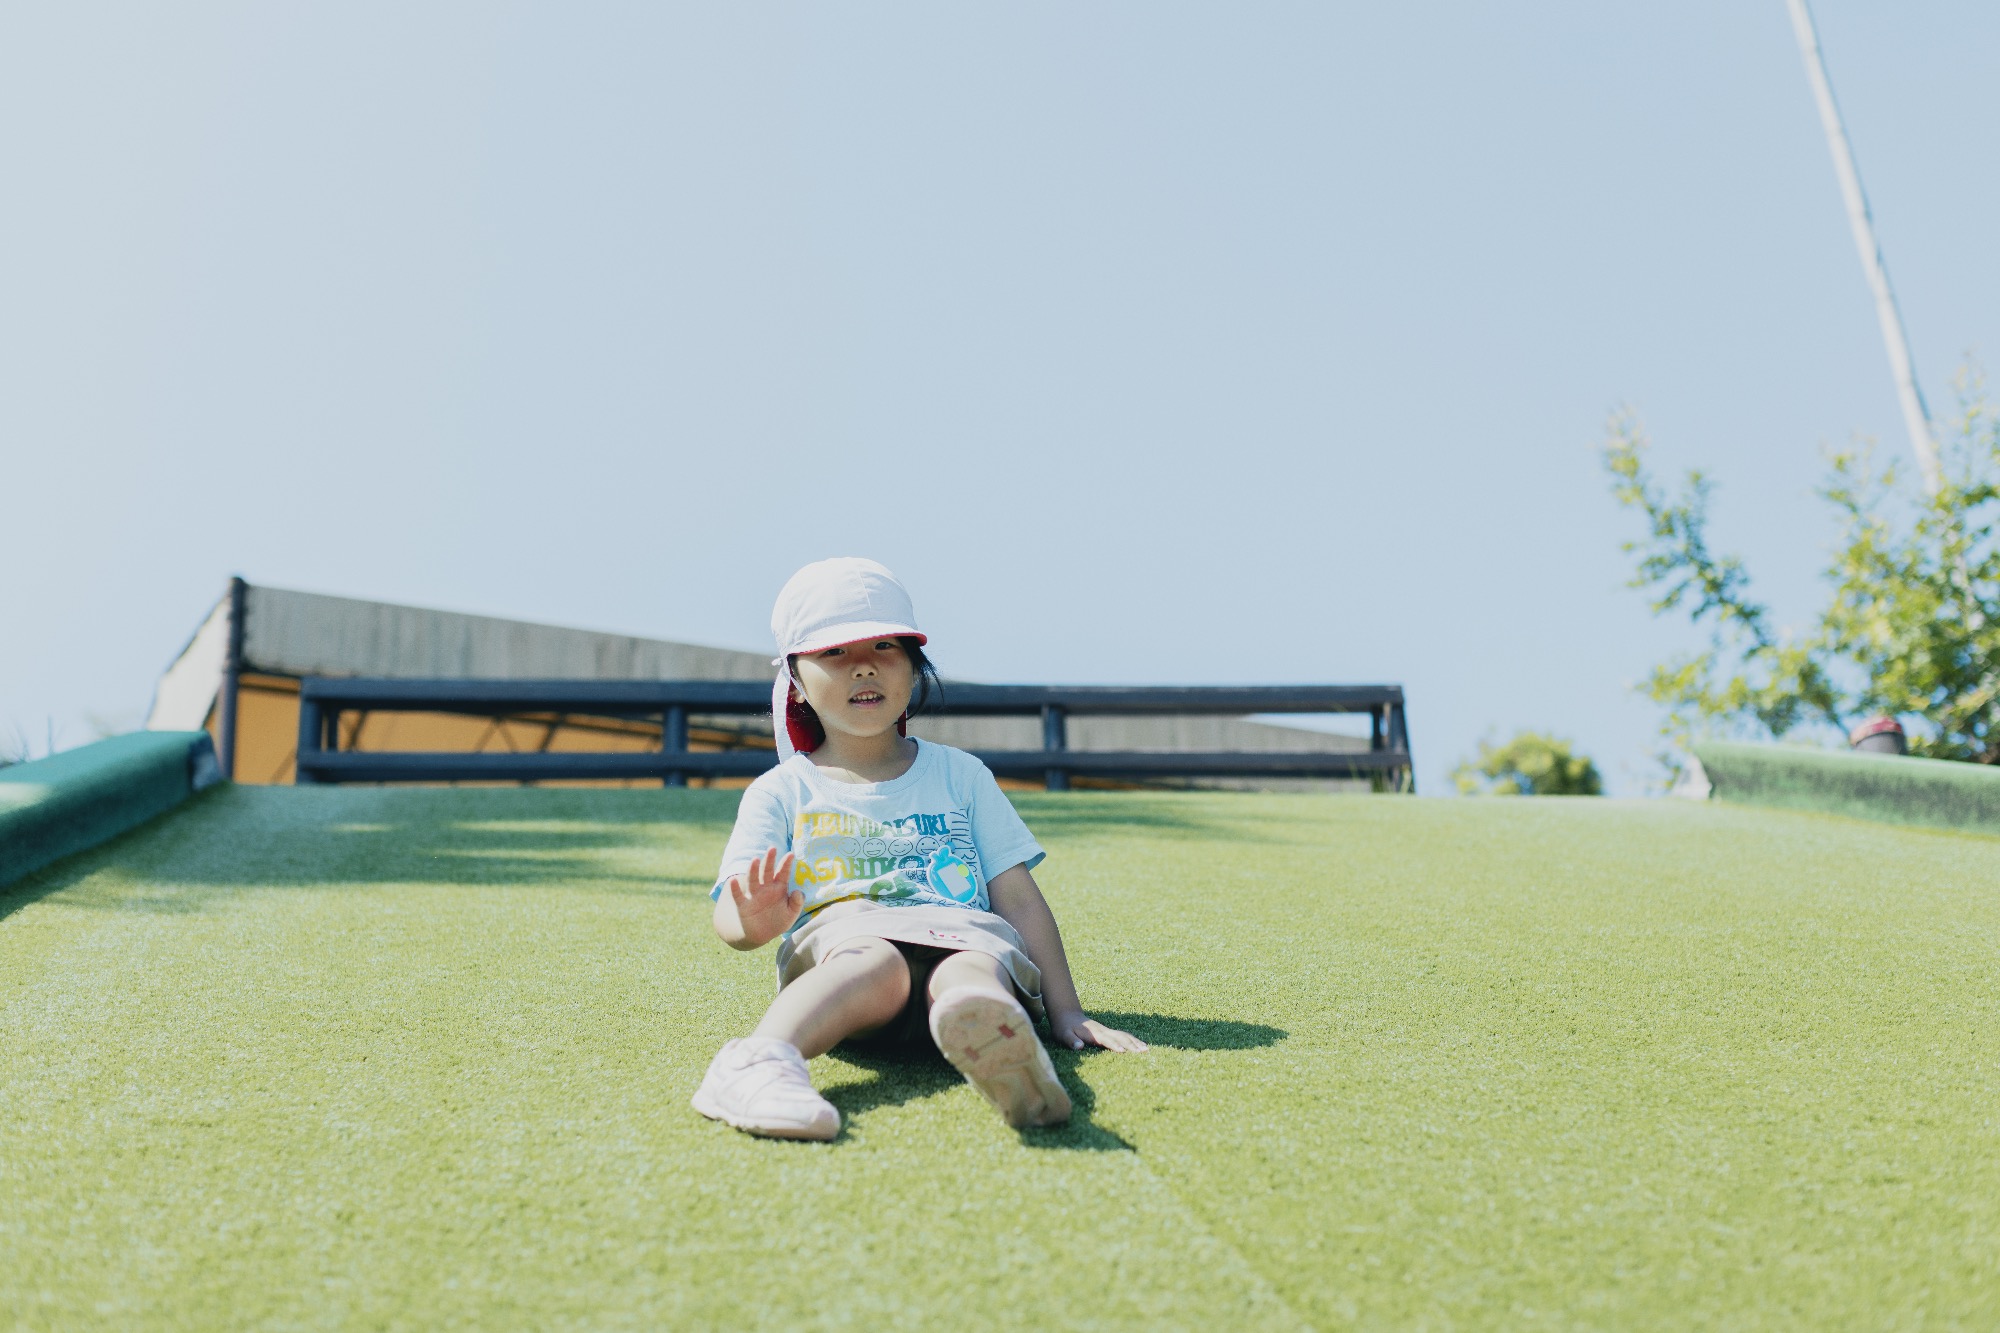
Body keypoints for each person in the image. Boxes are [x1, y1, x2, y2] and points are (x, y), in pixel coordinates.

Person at [692, 557, 1146, 1141]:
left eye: (885, 646)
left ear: (913, 669)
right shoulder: (782, 790)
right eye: (834, 653)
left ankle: (998, 1043)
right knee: (876, 961)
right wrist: (749, 921)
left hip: (960, 934)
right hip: (851, 952)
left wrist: (1067, 1011)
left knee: (972, 970)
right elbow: (732, 912)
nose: (863, 667)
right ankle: (759, 1062)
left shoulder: (962, 775)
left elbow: (1020, 901)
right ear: (797, 685)